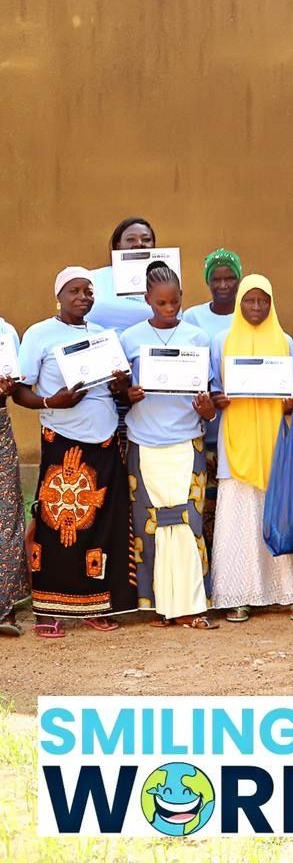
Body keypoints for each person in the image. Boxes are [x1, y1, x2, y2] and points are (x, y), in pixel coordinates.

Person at [14, 268, 136, 635]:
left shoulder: (103, 336)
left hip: (104, 442)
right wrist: (53, 401)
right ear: (59, 296)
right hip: (63, 441)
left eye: (88, 291)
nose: (83, 297)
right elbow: (20, 391)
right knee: (57, 526)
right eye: (74, 291)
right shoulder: (39, 334)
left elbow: (119, 390)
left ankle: (95, 606)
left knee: (100, 528)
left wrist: (120, 384)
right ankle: (48, 610)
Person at [208, 275, 293, 622]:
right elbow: (213, 387)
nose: (256, 307)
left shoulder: (284, 341)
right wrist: (219, 399)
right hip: (236, 442)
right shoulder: (222, 340)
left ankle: (292, 594)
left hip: (276, 441)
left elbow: (291, 389)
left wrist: (291, 402)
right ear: (239, 303)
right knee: (241, 519)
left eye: (263, 301)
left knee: (283, 512)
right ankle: (241, 596)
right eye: (249, 300)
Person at [118, 264, 215, 628]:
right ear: (147, 300)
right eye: (161, 303)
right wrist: (128, 394)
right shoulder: (130, 339)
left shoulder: (197, 338)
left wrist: (206, 409)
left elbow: (209, 395)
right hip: (145, 443)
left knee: (188, 523)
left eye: (175, 301)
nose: (169, 308)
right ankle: (160, 605)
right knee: (152, 527)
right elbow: (118, 392)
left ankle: (191, 605)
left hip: (185, 441)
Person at [183, 247, 243, 554]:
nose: (223, 285)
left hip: (241, 428)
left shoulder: (251, 313)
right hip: (205, 428)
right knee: (205, 504)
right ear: (207, 281)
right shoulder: (192, 317)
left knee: (234, 507)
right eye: (216, 279)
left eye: (230, 278)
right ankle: (209, 568)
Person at [0, 315, 27, 637]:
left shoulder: (5, 332)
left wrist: (7, 389)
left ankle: (4, 608)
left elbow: (14, 384)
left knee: (6, 515)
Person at [88, 217, 158, 333]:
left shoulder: (165, 281)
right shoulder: (92, 278)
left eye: (146, 239)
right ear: (118, 245)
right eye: (131, 239)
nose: (139, 244)